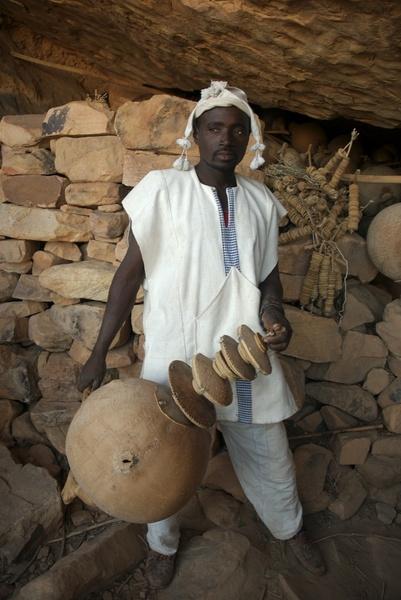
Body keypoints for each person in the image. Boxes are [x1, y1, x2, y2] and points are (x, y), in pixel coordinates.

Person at [78, 81, 325, 589]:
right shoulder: (163, 192)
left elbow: (267, 278)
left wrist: (275, 315)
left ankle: (289, 530)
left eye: (238, 129)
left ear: (250, 138)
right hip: (177, 354)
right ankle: (160, 546)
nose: (226, 139)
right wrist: (99, 350)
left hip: (244, 354)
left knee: (268, 450)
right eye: (214, 127)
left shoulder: (259, 202)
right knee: (160, 456)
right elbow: (128, 276)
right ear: (195, 134)